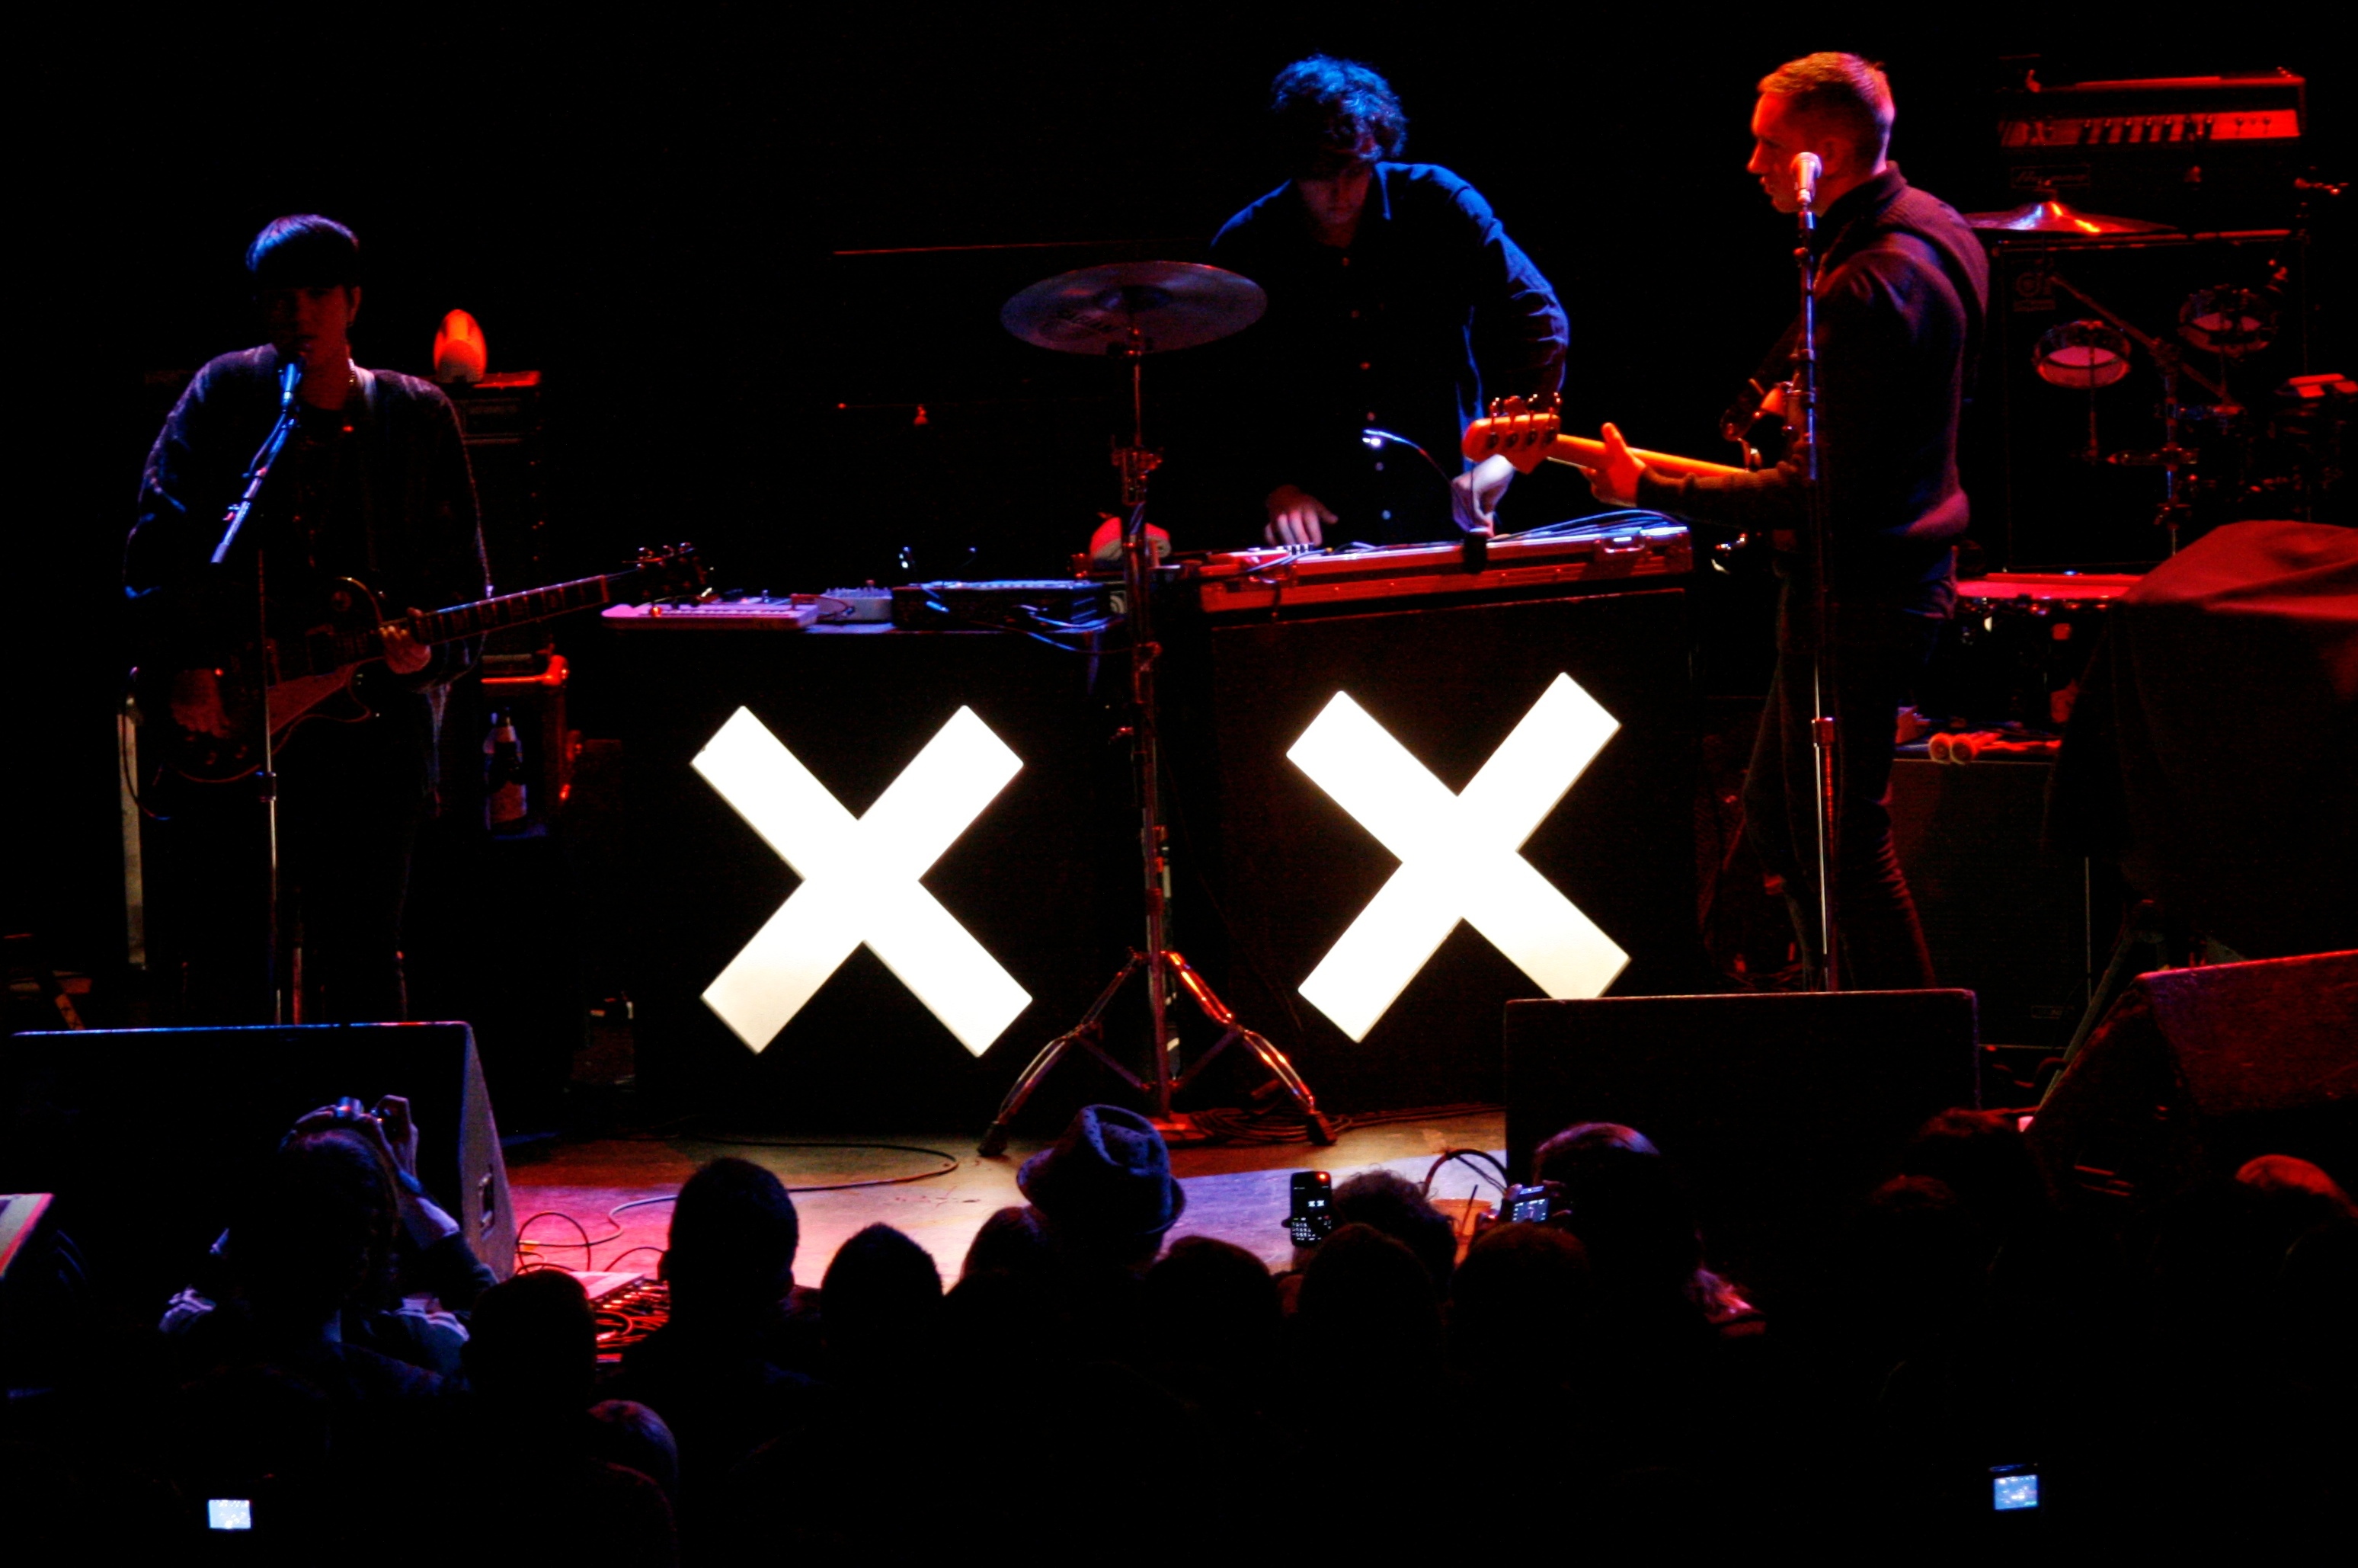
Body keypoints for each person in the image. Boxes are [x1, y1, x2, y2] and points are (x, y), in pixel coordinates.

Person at [1585, 54, 1988, 989]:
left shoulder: (1866, 281)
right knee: (1784, 813)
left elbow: (1810, 494)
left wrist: (1647, 487)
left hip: (1860, 592)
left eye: (1768, 145)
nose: (1751, 165)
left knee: (1840, 837)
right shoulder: (1934, 225)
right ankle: (1852, 1014)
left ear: (1825, 155)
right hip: (1889, 576)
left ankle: (1909, 1041)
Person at [127, 213, 489, 1023]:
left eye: (318, 294)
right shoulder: (226, 393)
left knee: (361, 949)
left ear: (352, 302)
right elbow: (160, 539)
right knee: (225, 950)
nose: (298, 314)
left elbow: (462, 581)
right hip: (231, 715)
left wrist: (427, 657)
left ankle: (368, 1104)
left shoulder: (414, 414)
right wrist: (184, 664)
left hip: (374, 731)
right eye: (280, 297)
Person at [1205, 56, 1567, 547]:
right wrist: (1275, 488)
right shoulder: (1247, 245)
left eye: (1354, 171)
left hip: (1445, 501)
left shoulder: (1439, 203)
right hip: (1322, 516)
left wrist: (1509, 452)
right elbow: (1222, 394)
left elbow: (1538, 319)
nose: (1339, 194)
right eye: (1319, 175)